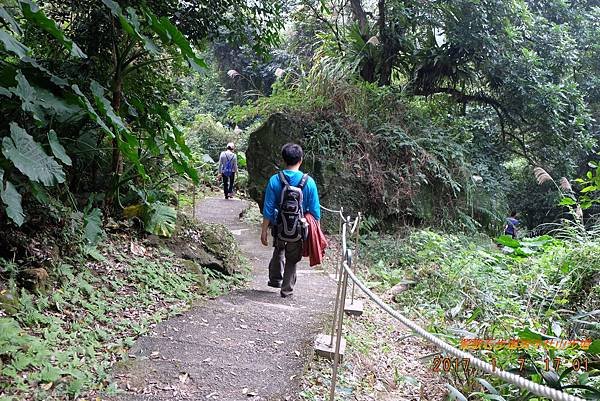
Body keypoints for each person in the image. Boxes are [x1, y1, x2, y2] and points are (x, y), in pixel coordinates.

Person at [261, 143, 321, 298]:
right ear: (300, 159)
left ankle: (275, 279)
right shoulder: (309, 182)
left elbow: (268, 208)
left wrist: (263, 232)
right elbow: (315, 212)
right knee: (292, 258)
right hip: (299, 227)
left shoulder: (275, 180)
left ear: (283, 159)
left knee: (278, 249)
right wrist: (316, 233)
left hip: (279, 225)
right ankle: (286, 290)